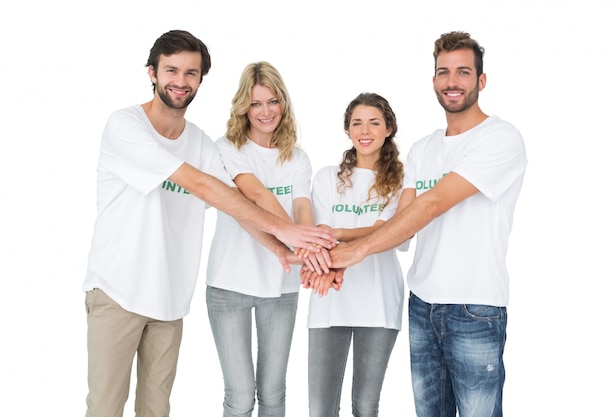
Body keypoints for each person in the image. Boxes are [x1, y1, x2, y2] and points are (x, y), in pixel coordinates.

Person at [82, 32, 334, 417]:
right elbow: (202, 185)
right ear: (152, 72)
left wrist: (284, 250)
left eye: (191, 73)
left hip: (169, 300)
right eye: (171, 70)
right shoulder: (125, 125)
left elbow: (237, 204)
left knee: (156, 409)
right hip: (119, 291)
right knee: (105, 408)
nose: (180, 81)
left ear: (201, 80)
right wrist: (287, 232)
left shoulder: (199, 142)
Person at [323, 31, 528, 417]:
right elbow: (404, 221)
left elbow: (432, 204)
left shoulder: (501, 138)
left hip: (475, 305)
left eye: (463, 72)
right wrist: (337, 251)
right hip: (422, 305)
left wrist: (352, 252)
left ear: (480, 81)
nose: (452, 81)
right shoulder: (423, 149)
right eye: (444, 72)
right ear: (434, 81)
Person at [204, 61, 322, 417]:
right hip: (229, 285)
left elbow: (303, 209)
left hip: (281, 289)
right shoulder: (226, 148)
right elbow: (255, 196)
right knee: (239, 396)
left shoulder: (298, 158)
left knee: (273, 394)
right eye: (256, 104)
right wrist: (298, 242)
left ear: (283, 104)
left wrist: (305, 245)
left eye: (272, 101)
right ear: (243, 107)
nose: (265, 111)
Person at [301, 92, 408, 417]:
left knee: (365, 405)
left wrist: (341, 234)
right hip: (328, 297)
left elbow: (391, 234)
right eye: (357, 123)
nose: (365, 130)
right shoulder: (327, 177)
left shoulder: (402, 181)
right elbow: (320, 234)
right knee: (321, 408)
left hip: (379, 303)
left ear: (388, 128)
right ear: (347, 130)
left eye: (374, 122)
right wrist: (335, 243)